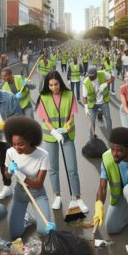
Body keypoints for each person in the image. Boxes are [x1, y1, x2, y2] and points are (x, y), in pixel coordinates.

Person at [36, 71, 88, 213]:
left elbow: (71, 117)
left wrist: (65, 128)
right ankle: (57, 196)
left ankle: (77, 198)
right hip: (50, 136)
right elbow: (45, 119)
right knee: (53, 168)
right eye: (51, 85)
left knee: (72, 168)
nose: (54, 88)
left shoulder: (69, 95)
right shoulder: (44, 97)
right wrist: (53, 131)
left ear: (60, 82)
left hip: (66, 135)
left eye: (56, 84)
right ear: (47, 85)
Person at [4, 116, 56, 239]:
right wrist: (10, 172)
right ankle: (28, 218)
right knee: (15, 234)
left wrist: (22, 175)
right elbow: (6, 174)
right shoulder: (10, 152)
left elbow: (38, 184)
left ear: (30, 141)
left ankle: (44, 222)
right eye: (14, 144)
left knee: (45, 231)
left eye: (21, 144)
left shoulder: (43, 155)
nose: (16, 148)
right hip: (20, 192)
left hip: (37, 193)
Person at [83, 67, 114, 140]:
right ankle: (91, 139)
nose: (90, 77)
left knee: (108, 118)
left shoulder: (102, 74)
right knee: (92, 121)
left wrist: (106, 84)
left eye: (92, 76)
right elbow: (84, 97)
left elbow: (112, 78)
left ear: (96, 74)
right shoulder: (85, 82)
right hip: (92, 104)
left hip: (103, 101)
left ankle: (111, 137)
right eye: (89, 76)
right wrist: (86, 107)